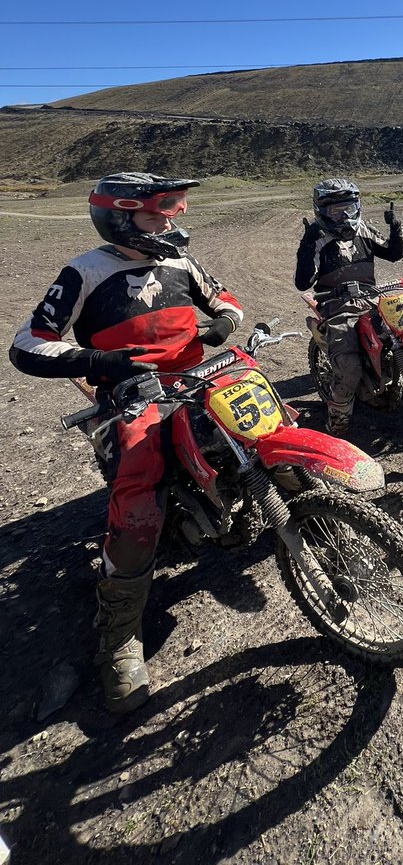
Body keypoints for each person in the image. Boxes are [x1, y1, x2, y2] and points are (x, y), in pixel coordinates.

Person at [8, 173, 243, 714]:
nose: (170, 219)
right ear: (119, 217)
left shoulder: (180, 260)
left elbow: (224, 297)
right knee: (139, 497)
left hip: (199, 377)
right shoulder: (85, 271)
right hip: (132, 394)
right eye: (157, 212)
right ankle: (118, 634)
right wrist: (99, 361)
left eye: (173, 209)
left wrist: (224, 324)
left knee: (269, 423)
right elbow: (27, 344)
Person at [294, 178, 403, 436]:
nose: (344, 216)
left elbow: (393, 254)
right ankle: (338, 418)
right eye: (336, 211)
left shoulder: (364, 230)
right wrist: (307, 244)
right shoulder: (318, 238)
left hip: (372, 297)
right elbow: (303, 282)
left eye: (349, 209)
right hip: (336, 305)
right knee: (349, 364)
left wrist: (396, 227)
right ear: (322, 212)